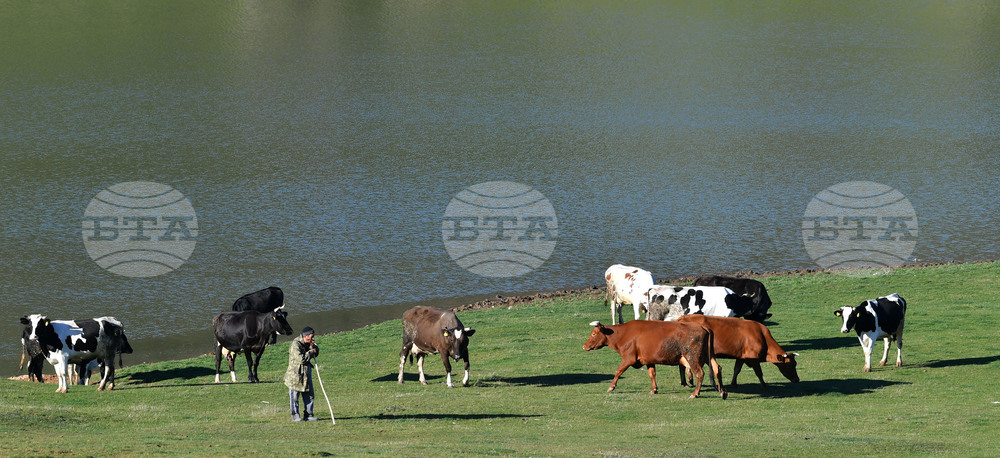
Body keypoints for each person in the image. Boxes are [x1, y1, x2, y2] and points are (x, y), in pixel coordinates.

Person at [284, 326, 319, 422]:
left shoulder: (309, 343)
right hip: (295, 376)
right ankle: (295, 416)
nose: (313, 338)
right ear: (306, 336)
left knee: (309, 395)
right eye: (312, 336)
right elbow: (301, 359)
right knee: (294, 397)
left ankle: (308, 415)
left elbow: (316, 352)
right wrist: (311, 352)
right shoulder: (296, 345)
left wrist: (314, 348)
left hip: (306, 375)